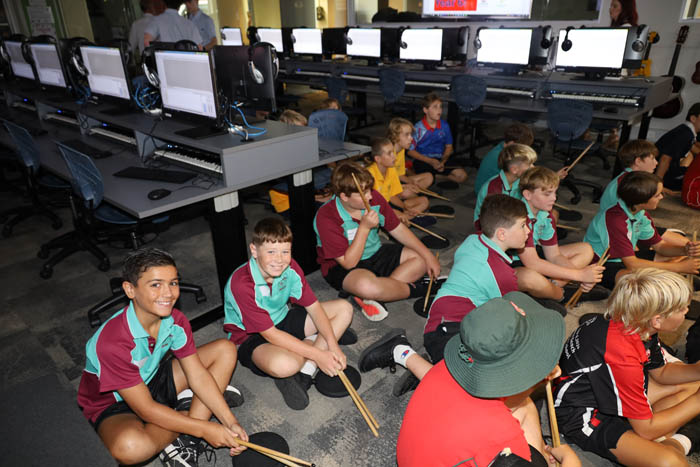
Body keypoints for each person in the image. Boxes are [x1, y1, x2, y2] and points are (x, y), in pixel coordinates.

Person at [77, 248, 248, 466]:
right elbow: (145, 409)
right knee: (129, 448)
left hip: (151, 379)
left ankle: (184, 436)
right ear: (130, 289)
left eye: (173, 283)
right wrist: (205, 429)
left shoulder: (175, 320)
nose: (168, 293)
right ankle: (186, 413)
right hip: (114, 404)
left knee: (225, 349)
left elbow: (196, 374)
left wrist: (230, 422)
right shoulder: (111, 344)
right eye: (156, 285)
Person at [358, 194, 531, 397]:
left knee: (488, 373)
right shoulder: (501, 274)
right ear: (501, 234)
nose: (528, 230)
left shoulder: (474, 239)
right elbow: (510, 319)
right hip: (445, 329)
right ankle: (400, 351)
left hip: (451, 318)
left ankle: (429, 369)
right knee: (467, 390)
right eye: (523, 226)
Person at [396, 292, 581, 467]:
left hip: (417, 455)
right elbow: (496, 437)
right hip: (483, 444)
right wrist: (570, 459)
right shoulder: (502, 436)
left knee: (526, 406)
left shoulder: (450, 366)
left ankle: (543, 453)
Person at [554, 268, 700, 466]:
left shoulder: (634, 323)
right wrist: (697, 402)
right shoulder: (622, 355)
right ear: (657, 320)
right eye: (682, 308)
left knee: (693, 384)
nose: (687, 311)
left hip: (606, 391)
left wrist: (697, 370)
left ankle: (653, 444)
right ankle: (662, 445)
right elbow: (646, 429)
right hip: (582, 416)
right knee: (671, 462)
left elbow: (662, 373)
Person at [223, 218, 352, 410]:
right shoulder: (242, 284)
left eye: (285, 251)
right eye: (271, 252)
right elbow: (270, 335)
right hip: (252, 337)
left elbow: (314, 307)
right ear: (254, 250)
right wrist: (320, 354)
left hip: (283, 319)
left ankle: (307, 369)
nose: (279, 260)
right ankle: (314, 342)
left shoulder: (290, 267)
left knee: (344, 308)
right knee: (285, 365)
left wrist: (333, 346)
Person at [313, 161, 440, 321]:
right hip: (341, 266)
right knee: (367, 286)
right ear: (344, 196)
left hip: (376, 252)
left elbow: (397, 229)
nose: (370, 196)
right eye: (363, 193)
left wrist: (428, 256)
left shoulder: (374, 198)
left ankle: (380, 293)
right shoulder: (326, 216)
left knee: (420, 260)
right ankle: (419, 288)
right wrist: (364, 228)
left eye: (369, 190)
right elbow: (348, 263)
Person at [584, 171, 700, 290]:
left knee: (669, 260)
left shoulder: (640, 214)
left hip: (626, 259)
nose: (661, 197)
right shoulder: (615, 220)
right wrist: (679, 267)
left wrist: (685, 250)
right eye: (657, 195)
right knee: (641, 284)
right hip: (602, 266)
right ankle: (671, 278)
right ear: (642, 199)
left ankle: (672, 276)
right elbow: (632, 264)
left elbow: (660, 246)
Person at [514, 167, 605, 302]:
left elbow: (554, 255)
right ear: (527, 194)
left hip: (533, 254)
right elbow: (532, 263)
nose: (554, 198)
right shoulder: (518, 216)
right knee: (529, 277)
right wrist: (578, 275)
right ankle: (559, 294)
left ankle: (550, 287)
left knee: (586, 249)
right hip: (511, 264)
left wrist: (581, 276)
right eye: (547, 194)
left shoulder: (546, 215)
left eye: (555, 192)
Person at [268, 110, 332, 214]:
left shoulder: (304, 144)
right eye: (300, 130)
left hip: (307, 186)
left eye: (305, 128)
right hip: (289, 192)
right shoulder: (281, 150)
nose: (305, 132)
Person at [407, 93, 468, 184]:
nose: (439, 110)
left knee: (462, 176)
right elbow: (410, 151)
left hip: (440, 159)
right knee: (427, 178)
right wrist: (430, 161)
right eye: (435, 107)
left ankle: (437, 177)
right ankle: (426, 175)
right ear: (425, 110)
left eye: (440, 106)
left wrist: (443, 161)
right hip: (424, 160)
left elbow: (449, 146)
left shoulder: (445, 126)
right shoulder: (418, 128)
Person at [366, 137, 429, 225]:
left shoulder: (391, 169)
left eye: (393, 152)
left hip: (389, 204)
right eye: (389, 153)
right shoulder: (369, 175)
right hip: (377, 209)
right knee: (400, 217)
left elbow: (392, 196)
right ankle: (404, 220)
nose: (394, 156)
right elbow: (374, 206)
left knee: (424, 201)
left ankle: (405, 219)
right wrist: (394, 212)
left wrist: (405, 208)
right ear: (378, 159)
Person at [474, 143, 537, 224]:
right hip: (491, 224)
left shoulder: (520, 181)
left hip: (510, 217)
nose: (533, 167)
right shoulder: (494, 188)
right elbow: (494, 222)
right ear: (514, 170)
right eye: (529, 164)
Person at [474, 122, 535, 195]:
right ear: (512, 143)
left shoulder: (504, 147)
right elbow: (519, 177)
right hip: (489, 193)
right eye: (523, 147)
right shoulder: (502, 156)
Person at [655, 103, 700, 194]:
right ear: (693, 119)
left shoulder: (687, 131)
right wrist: (657, 184)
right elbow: (665, 158)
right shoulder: (685, 134)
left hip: (672, 169)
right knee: (694, 179)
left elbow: (692, 147)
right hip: (662, 173)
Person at [386, 117, 434, 197]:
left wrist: (411, 182)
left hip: (396, 181)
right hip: (388, 186)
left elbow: (400, 174)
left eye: (411, 134)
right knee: (407, 192)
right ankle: (412, 196)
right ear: (395, 136)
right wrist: (405, 186)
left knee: (429, 176)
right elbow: (387, 182)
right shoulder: (388, 154)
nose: (411, 138)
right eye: (406, 135)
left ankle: (414, 195)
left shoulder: (401, 149)